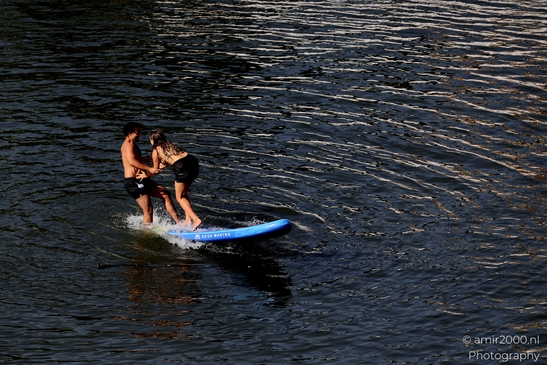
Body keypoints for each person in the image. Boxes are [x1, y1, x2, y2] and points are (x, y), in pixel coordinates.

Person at [121, 122, 181, 226]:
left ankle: (180, 223)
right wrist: (150, 169)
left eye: (140, 132)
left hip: (142, 179)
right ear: (129, 133)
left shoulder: (133, 144)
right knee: (148, 210)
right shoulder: (128, 145)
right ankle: (147, 234)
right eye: (137, 133)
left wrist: (151, 160)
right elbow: (132, 162)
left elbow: (137, 159)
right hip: (134, 182)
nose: (139, 135)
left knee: (165, 194)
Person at [145, 129, 202, 231]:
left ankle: (196, 219)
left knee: (179, 197)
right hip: (192, 162)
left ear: (153, 140)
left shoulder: (156, 150)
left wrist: (145, 176)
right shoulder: (170, 145)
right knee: (183, 193)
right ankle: (188, 219)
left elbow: (156, 170)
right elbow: (167, 162)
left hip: (182, 166)